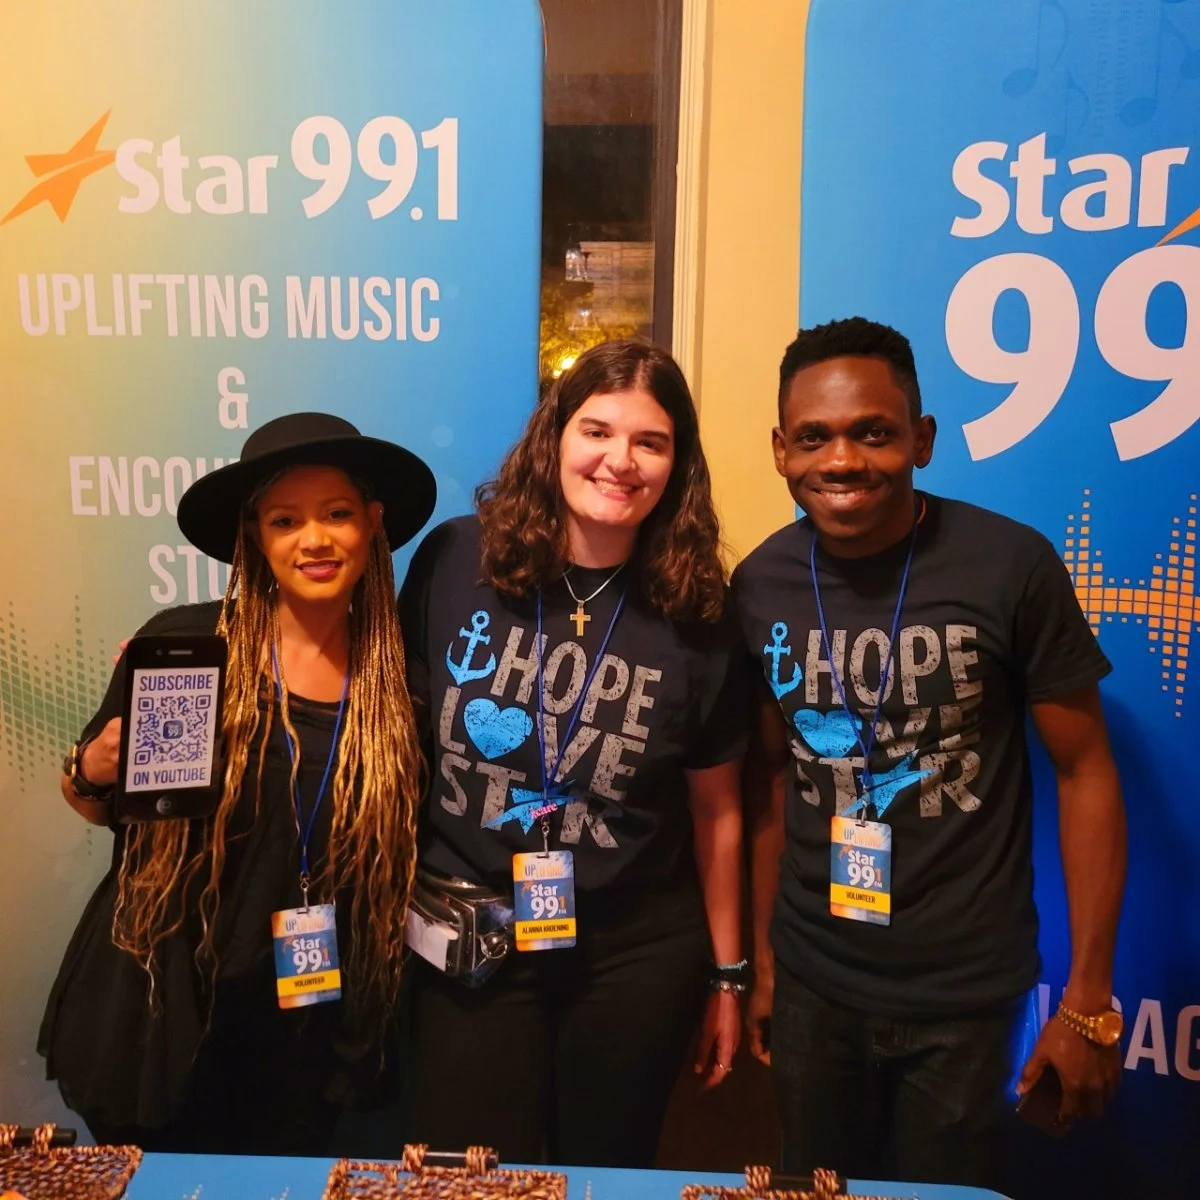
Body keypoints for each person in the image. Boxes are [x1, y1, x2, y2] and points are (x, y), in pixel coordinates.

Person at [732, 318, 1126, 1189]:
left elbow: (1087, 770)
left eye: (873, 432)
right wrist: (764, 971)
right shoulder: (759, 585)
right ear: (779, 450)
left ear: (921, 439)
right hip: (813, 986)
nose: (842, 461)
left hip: (965, 998)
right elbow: (769, 784)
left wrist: (1090, 1001)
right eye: (814, 437)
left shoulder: (1009, 565)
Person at [39, 412, 435, 1154]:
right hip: (164, 1004)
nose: (314, 539)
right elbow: (102, 809)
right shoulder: (189, 650)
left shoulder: (400, 686)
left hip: (307, 1022)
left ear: (373, 524)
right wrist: (90, 767)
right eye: (287, 520)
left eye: (337, 514)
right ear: (256, 535)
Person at [398, 339, 748, 1168]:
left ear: (677, 463)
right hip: (472, 934)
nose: (619, 462)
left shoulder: (699, 609)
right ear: (553, 435)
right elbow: (389, 725)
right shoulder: (455, 560)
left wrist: (729, 976)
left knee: (607, 1169)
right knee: (467, 1174)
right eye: (597, 430)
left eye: (650, 442)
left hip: (633, 954)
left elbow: (718, 809)